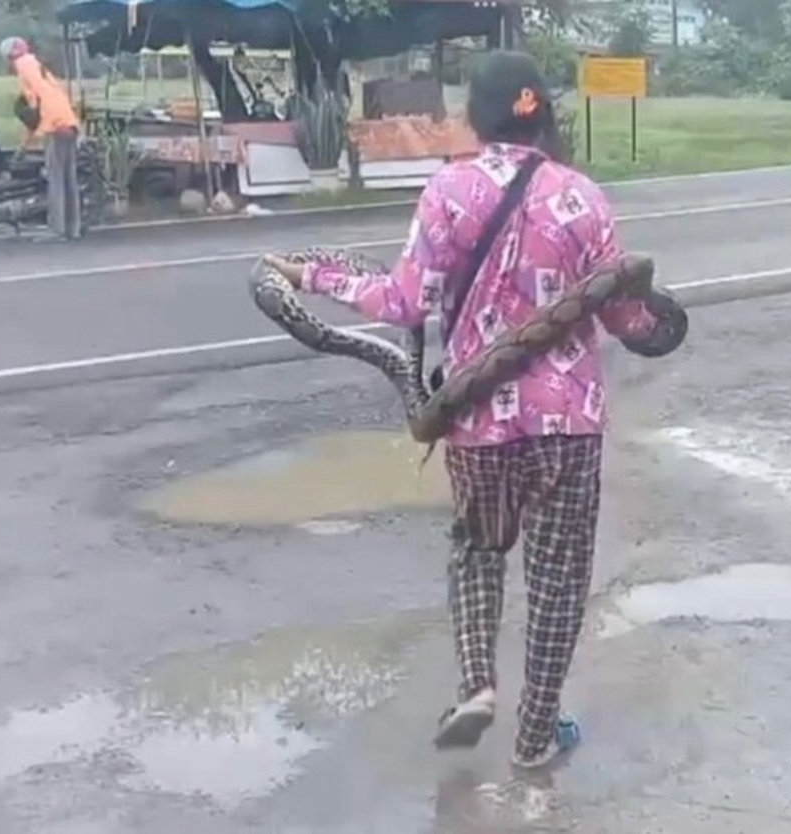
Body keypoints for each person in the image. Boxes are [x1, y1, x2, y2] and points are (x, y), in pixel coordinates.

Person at [276, 50, 657, 769]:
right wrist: (659, 321)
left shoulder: (448, 191)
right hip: (567, 425)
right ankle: (536, 736)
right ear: (544, 113)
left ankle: (478, 684)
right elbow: (627, 322)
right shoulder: (583, 197)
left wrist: (313, 274)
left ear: (475, 119)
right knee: (557, 580)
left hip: (477, 422)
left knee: (479, 552)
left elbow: (403, 302)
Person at [0, 37, 82, 241]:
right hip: (68, 122)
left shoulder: (24, 65)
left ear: (11, 55)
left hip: (55, 124)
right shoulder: (36, 64)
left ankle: (57, 230)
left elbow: (38, 101)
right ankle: (73, 229)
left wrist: (36, 134)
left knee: (55, 180)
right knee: (68, 179)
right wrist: (25, 143)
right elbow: (46, 99)